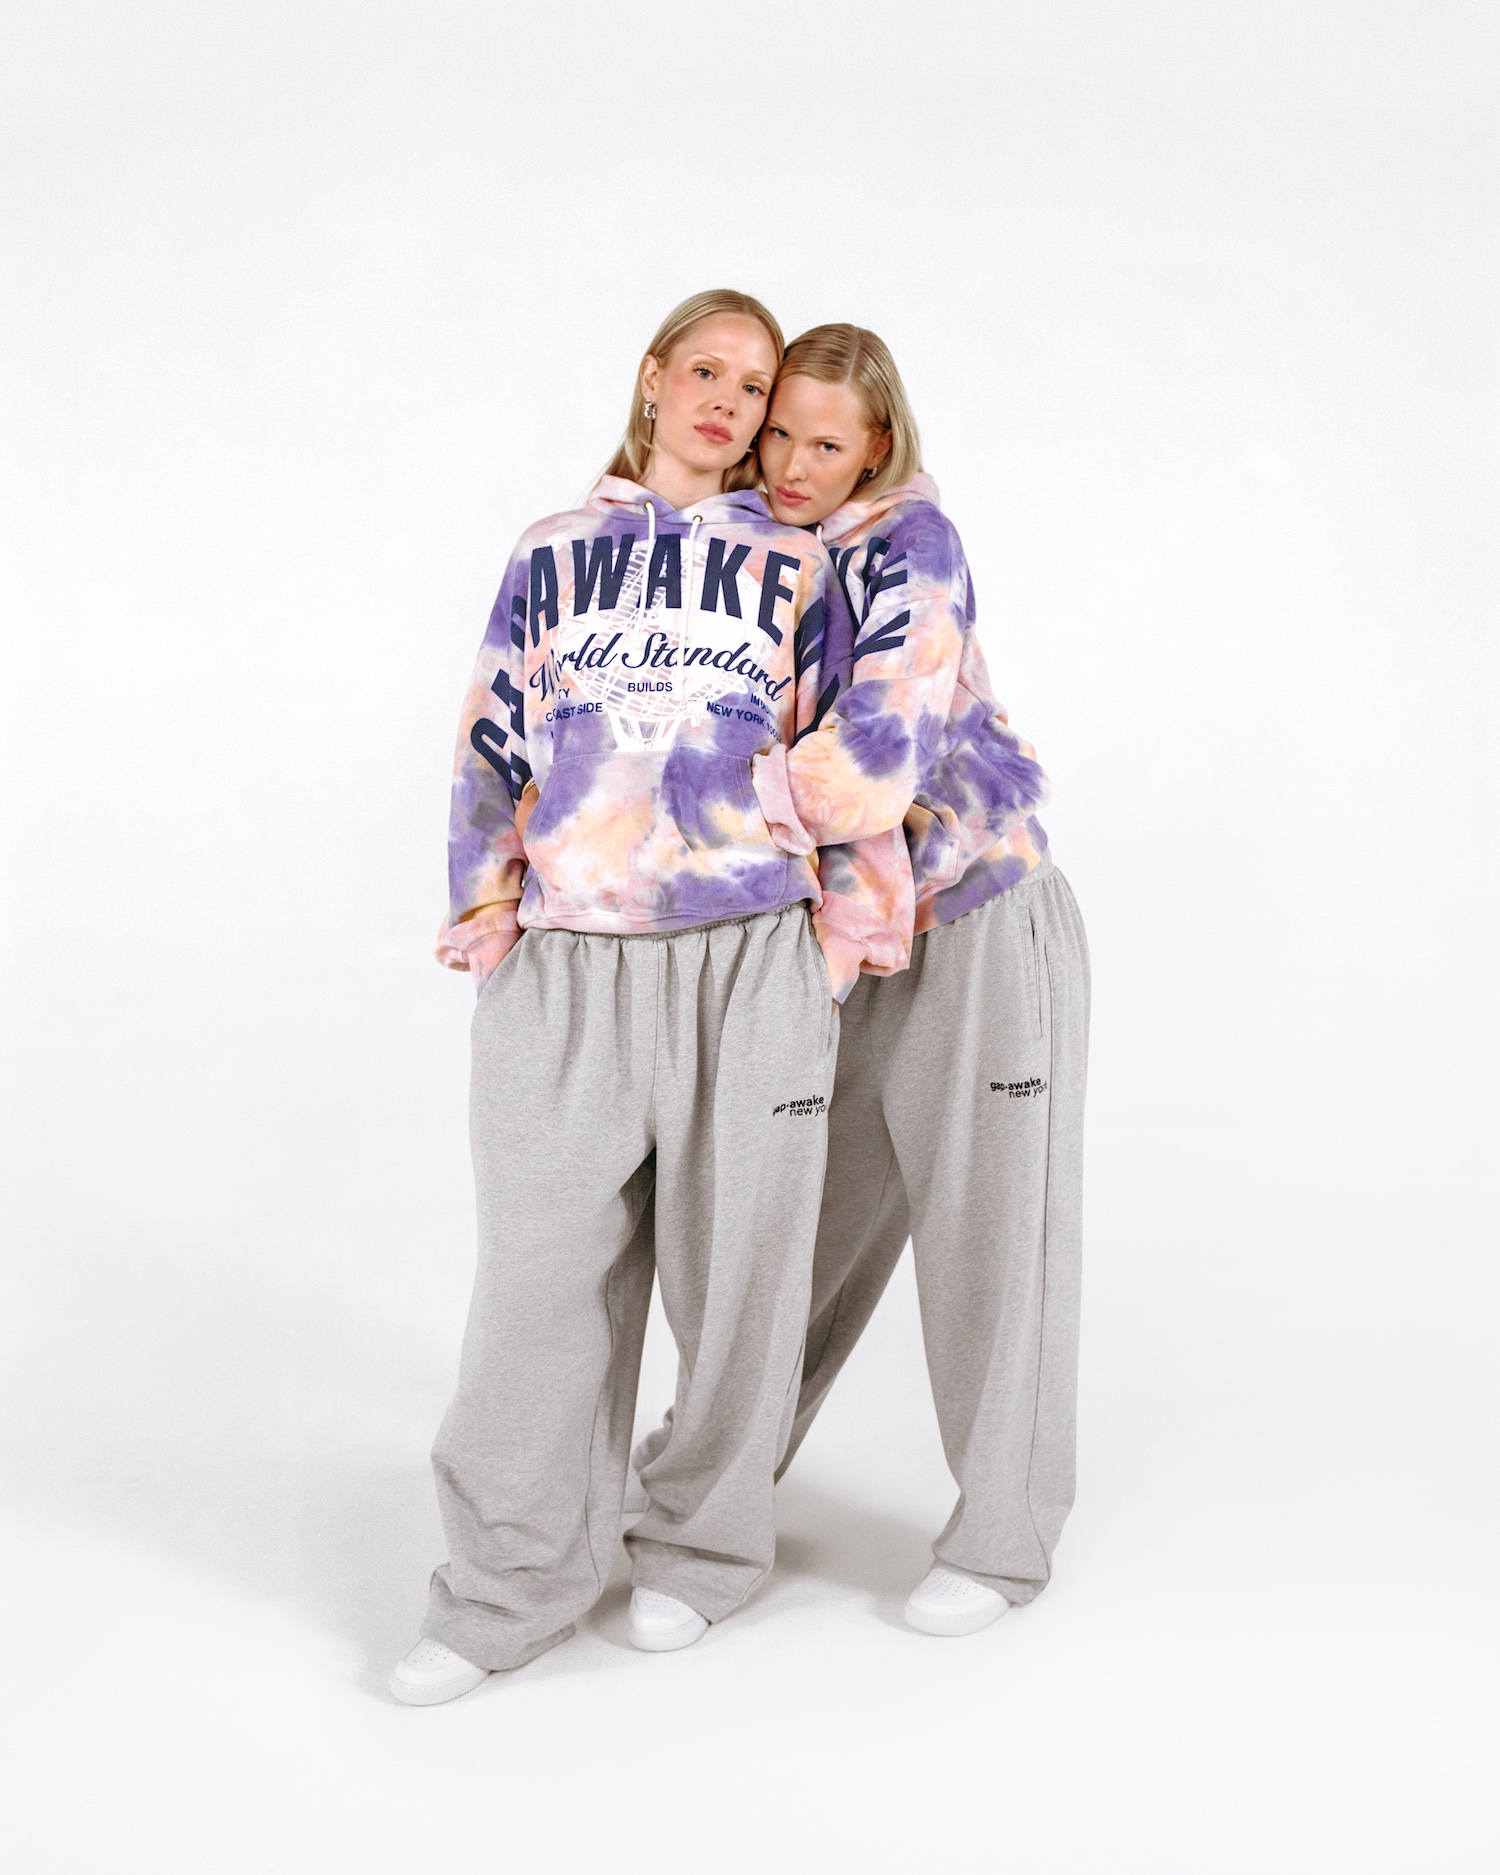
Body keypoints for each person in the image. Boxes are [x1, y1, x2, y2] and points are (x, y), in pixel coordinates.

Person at [391, 292, 865, 1706]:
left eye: (755, 386)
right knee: (537, 1287)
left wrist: (845, 939)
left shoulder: (801, 564)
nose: (728, 401)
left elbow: (859, 755)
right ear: (655, 379)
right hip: (570, 960)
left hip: (751, 952)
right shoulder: (552, 550)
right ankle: (505, 1585)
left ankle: (702, 1552)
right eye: (705, 370)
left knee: (739, 1286)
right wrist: (486, 901)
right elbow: (491, 730)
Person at [636, 323, 1090, 1638]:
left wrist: (692, 810)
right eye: (776, 431)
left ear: (877, 445)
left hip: (978, 919)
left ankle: (1003, 1539)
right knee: (784, 1227)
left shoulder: (913, 547)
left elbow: (875, 762)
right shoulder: (760, 550)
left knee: (989, 1236)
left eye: (824, 443)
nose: (789, 463)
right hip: (842, 934)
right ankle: (704, 1496)